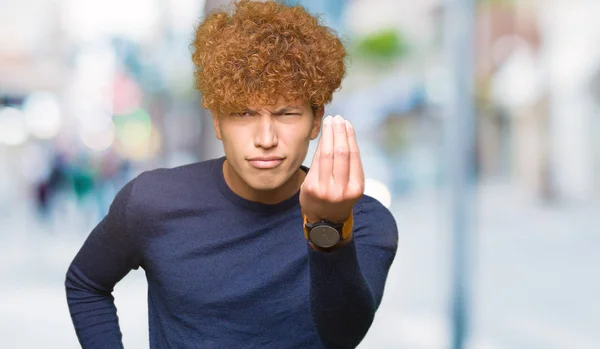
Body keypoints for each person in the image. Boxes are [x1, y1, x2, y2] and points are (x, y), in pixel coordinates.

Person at [65, 1, 398, 348]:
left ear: (315, 121)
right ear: (217, 122)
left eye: (286, 114)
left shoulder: (367, 221)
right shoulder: (153, 201)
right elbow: (86, 283)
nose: (266, 139)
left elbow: (342, 336)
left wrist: (327, 227)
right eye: (243, 113)